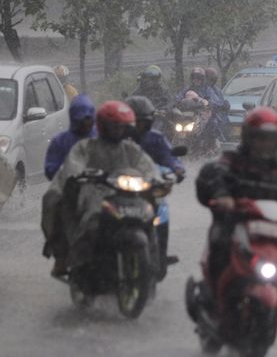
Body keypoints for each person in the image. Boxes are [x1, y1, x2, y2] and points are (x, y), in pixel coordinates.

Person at [195, 107, 277, 296]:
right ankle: (211, 293)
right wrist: (223, 196)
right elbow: (217, 176)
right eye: (259, 138)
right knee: (219, 241)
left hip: (269, 226)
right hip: (234, 221)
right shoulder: (232, 160)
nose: (264, 145)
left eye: (269, 139)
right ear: (248, 137)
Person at [41, 101, 159, 277]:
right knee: (58, 202)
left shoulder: (131, 149)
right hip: (93, 192)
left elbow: (147, 167)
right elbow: (73, 166)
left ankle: (154, 262)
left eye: (122, 127)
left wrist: (157, 181)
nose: (118, 131)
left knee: (152, 214)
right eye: (114, 127)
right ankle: (64, 255)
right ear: (104, 126)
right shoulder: (85, 146)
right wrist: (77, 177)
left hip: (126, 194)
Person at [125, 96, 186, 271]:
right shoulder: (117, 137)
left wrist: (177, 169)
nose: (139, 126)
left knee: (163, 211)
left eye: (143, 122)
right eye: (135, 122)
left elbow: (170, 157)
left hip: (149, 186)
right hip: (120, 187)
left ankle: (160, 254)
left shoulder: (156, 138)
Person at [44, 94, 97, 181]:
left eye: (88, 119)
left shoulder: (102, 136)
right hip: (70, 188)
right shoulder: (60, 141)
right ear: (73, 118)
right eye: (81, 120)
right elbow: (50, 169)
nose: (85, 123)